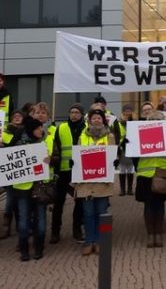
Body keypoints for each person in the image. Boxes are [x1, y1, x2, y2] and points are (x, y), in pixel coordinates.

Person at [12, 116, 54, 261]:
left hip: (40, 186)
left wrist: (52, 160)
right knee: (23, 221)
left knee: (41, 221)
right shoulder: (18, 145)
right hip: (23, 188)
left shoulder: (47, 141)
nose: (40, 130)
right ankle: (24, 250)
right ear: (30, 130)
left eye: (41, 127)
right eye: (37, 128)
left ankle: (39, 247)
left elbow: (57, 157)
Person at [75, 108, 116, 256]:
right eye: (94, 118)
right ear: (89, 120)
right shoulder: (82, 136)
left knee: (102, 212)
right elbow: (78, 154)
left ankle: (101, 241)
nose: (96, 120)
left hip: (102, 181)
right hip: (86, 181)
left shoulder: (109, 136)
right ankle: (89, 241)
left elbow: (112, 156)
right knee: (88, 213)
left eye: (99, 118)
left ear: (103, 120)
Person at [135, 110, 166, 249]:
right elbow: (132, 155)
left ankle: (158, 233)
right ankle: (150, 235)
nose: (155, 122)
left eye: (158, 120)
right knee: (148, 206)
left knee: (159, 205)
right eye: (153, 120)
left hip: (162, 172)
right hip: (146, 175)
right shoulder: (139, 134)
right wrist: (128, 143)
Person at [51, 104, 86, 244]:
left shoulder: (87, 128)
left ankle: (77, 230)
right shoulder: (61, 128)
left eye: (77, 112)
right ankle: (55, 231)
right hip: (63, 170)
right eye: (72, 112)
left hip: (80, 170)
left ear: (82, 114)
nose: (74, 114)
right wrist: (57, 164)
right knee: (58, 202)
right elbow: (56, 149)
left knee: (80, 202)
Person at [0, 109, 24, 240]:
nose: (17, 117)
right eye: (15, 116)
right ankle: (6, 225)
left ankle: (19, 227)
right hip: (9, 170)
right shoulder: (4, 133)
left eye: (20, 116)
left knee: (20, 201)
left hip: (22, 171)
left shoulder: (25, 132)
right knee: (10, 199)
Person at [116, 104, 136, 196]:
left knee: (131, 169)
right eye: (126, 111)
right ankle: (122, 189)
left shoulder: (135, 122)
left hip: (132, 148)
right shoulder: (118, 123)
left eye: (129, 111)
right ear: (123, 112)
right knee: (122, 169)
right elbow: (116, 135)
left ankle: (130, 189)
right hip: (121, 148)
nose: (127, 112)